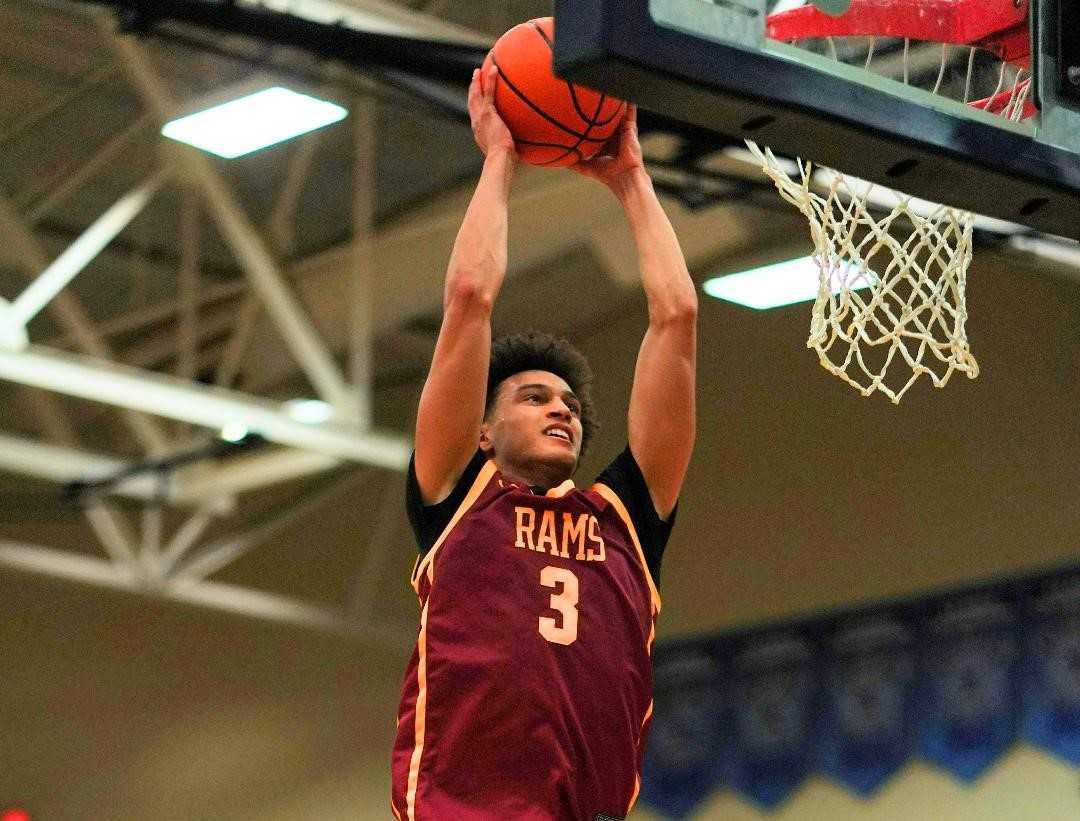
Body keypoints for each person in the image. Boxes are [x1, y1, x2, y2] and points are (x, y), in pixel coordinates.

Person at [390, 65, 697, 821]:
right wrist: (500, 157)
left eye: (567, 402)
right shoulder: (459, 495)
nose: (561, 409)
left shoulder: (623, 522)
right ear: (483, 431)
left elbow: (678, 314)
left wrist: (629, 179)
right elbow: (469, 299)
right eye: (534, 396)